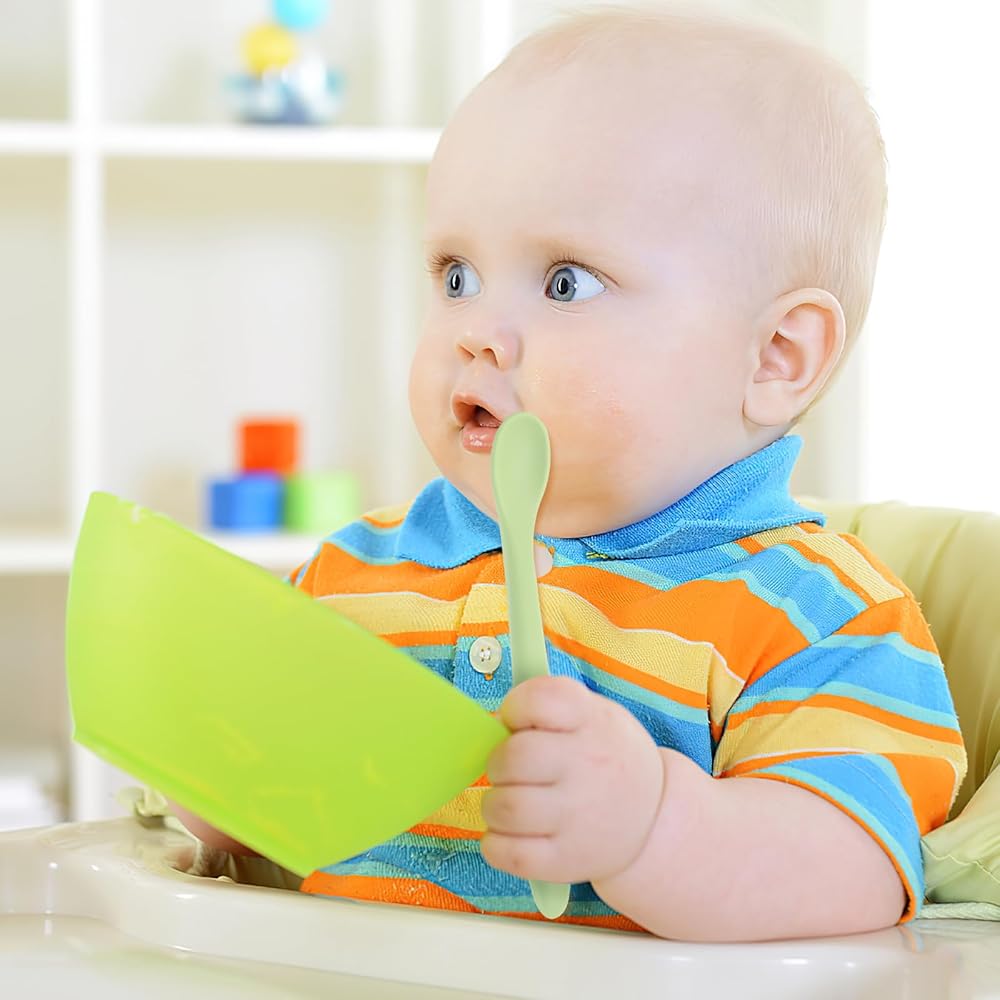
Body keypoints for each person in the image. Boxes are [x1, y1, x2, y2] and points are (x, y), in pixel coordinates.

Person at [175, 6, 967, 941]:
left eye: (565, 283)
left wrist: (652, 826)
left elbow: (856, 873)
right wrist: (212, 772)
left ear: (775, 356)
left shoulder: (821, 617)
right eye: (456, 275)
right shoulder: (352, 578)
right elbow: (248, 825)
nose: (477, 331)